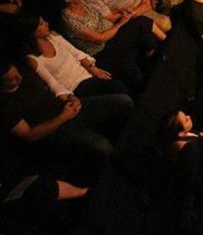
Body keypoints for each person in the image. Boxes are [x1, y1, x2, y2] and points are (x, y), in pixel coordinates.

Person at [0, 60, 133, 178]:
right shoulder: (5, 107)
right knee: (103, 146)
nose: (19, 77)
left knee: (123, 101)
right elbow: (30, 135)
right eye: (12, 79)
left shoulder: (26, 74)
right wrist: (63, 117)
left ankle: (132, 145)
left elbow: (54, 87)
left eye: (16, 72)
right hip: (54, 129)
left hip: (68, 108)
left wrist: (71, 98)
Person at [61, 0, 162, 89]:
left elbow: (103, 19)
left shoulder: (83, 4)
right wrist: (120, 23)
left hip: (112, 33)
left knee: (141, 22)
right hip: (102, 49)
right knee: (129, 64)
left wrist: (120, 13)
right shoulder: (70, 20)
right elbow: (100, 38)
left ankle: (158, 54)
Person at [23, 15, 128, 99]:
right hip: (75, 87)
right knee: (118, 91)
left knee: (122, 75)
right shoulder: (33, 59)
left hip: (86, 75)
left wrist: (93, 68)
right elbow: (52, 83)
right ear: (32, 32)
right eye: (41, 24)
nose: (47, 23)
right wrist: (70, 98)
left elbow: (76, 53)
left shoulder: (53, 36)